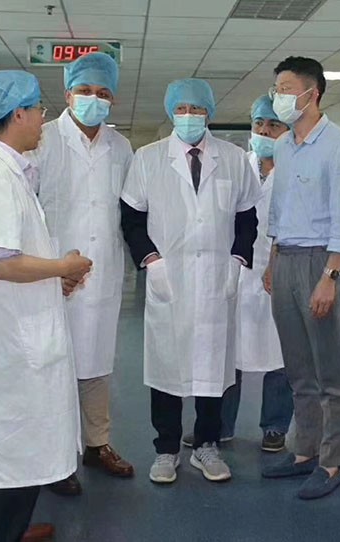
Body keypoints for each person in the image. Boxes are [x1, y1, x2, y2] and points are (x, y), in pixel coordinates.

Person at [0, 70, 92, 542]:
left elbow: (13, 253)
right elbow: (2, 263)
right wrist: (63, 266)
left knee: (23, 453)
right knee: (13, 455)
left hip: (19, 331)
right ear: (18, 114)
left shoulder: (7, 169)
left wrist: (55, 279)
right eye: (38, 110)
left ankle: (4, 531)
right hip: (8, 344)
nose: (41, 120)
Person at [120, 78, 261, 484]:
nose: (189, 116)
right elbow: (132, 219)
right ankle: (166, 450)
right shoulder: (148, 158)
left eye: (197, 109)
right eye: (181, 109)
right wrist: (151, 261)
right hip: (170, 277)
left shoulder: (233, 158)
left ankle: (206, 445)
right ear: (170, 112)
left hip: (217, 278)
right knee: (166, 367)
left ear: (209, 113)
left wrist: (237, 260)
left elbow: (247, 218)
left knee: (212, 367)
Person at [29, 52, 134, 497]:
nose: (94, 99)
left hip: (102, 273)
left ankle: (97, 444)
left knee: (97, 364)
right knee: (55, 366)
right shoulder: (42, 139)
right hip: (52, 274)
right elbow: (26, 209)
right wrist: (49, 267)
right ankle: (55, 458)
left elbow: (128, 211)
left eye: (103, 92)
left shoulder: (121, 147)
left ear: (113, 99)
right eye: (85, 90)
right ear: (68, 93)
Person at [260, 57, 340, 500]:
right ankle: (304, 451)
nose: (279, 97)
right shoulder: (283, 145)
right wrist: (272, 259)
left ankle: (332, 461)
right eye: (277, 89)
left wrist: (330, 276)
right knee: (298, 368)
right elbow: (279, 210)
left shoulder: (339, 146)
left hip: (323, 261)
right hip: (286, 259)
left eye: (286, 88)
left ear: (312, 93)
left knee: (330, 373)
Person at [182, 95, 293, 453]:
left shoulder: (296, 171)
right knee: (227, 352)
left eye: (273, 125)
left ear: (288, 129)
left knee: (281, 353)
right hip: (235, 269)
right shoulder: (236, 164)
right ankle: (220, 425)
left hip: (279, 271)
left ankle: (275, 426)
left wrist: (275, 264)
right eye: (259, 123)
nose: (264, 131)